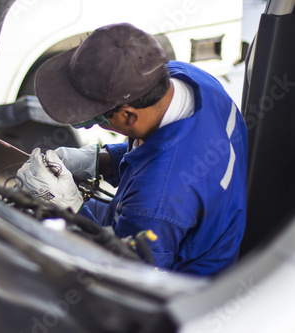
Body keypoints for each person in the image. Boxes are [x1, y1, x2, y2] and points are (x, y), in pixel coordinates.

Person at [16, 23, 247, 276]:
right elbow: (158, 146)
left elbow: (123, 273)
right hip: (183, 223)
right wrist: (95, 160)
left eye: (97, 118)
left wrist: (68, 210)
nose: (91, 122)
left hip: (179, 289)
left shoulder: (157, 199)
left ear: (128, 115)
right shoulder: (188, 79)